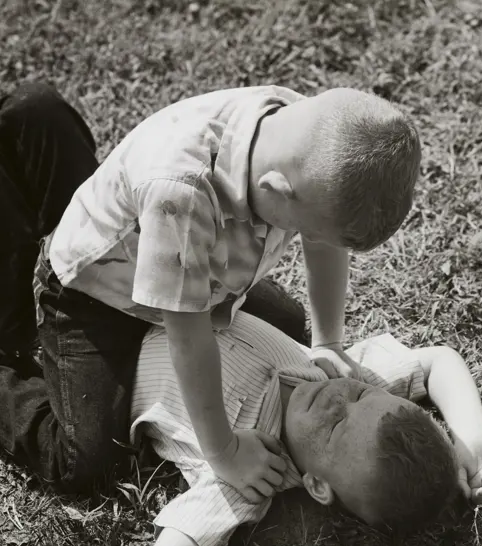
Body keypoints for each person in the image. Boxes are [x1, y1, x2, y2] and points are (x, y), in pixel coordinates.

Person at [23, 81, 421, 499]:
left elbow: (324, 242)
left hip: (196, 272)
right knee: (86, 462)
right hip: (93, 295)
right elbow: (189, 339)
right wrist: (224, 451)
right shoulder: (182, 193)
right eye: (302, 229)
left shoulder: (305, 134)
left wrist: (330, 341)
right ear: (277, 191)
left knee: (289, 321)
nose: (303, 236)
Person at [135, 310, 482, 546]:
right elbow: (438, 361)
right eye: (361, 391)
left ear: (317, 485)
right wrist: (474, 439)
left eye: (335, 426)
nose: (336, 395)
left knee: (82, 454)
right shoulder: (349, 388)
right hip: (201, 300)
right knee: (285, 311)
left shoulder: (247, 477)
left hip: (117, 342)